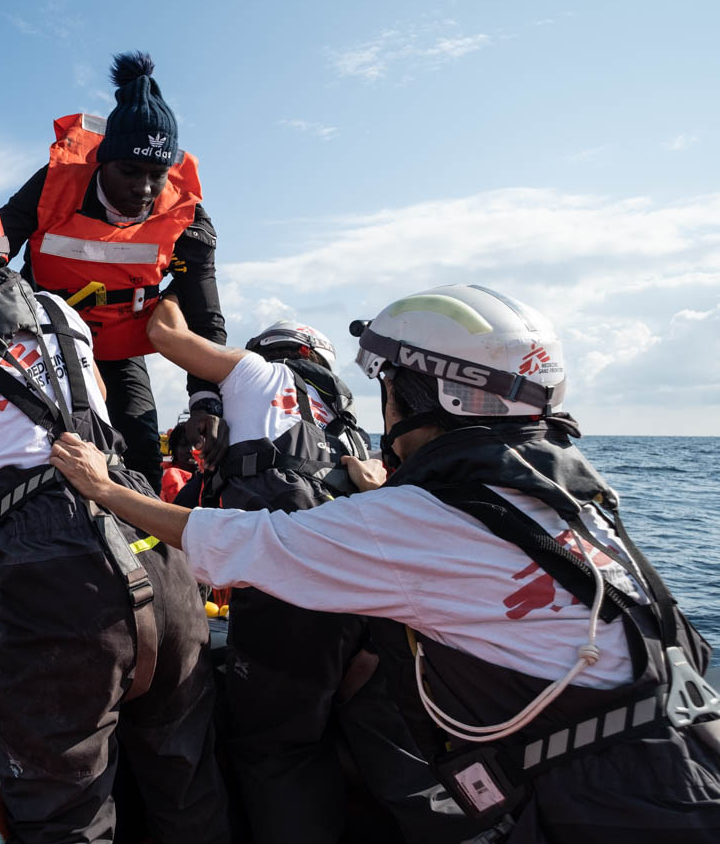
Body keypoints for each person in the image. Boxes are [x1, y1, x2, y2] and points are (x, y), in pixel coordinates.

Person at [51, 284, 720, 844]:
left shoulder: (417, 518)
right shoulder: (568, 493)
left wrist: (108, 490)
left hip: (618, 803)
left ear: (431, 398)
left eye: (394, 389)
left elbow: (240, 542)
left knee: (273, 744)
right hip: (691, 752)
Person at [0, 180, 225, 843]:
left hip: (57, 584)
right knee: (187, 784)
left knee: (63, 812)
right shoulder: (65, 317)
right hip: (153, 549)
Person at [148, 301, 463, 842]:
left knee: (278, 752)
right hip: (371, 608)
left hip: (288, 597)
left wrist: (177, 271)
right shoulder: (348, 426)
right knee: (402, 760)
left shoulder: (257, 373)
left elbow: (166, 334)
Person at [0, 51, 227, 492]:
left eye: (157, 174)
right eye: (130, 171)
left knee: (140, 452)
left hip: (120, 350)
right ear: (103, 161)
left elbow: (204, 314)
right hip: (42, 342)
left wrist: (206, 401)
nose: (143, 188)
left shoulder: (188, 215)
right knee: (32, 447)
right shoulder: (52, 185)